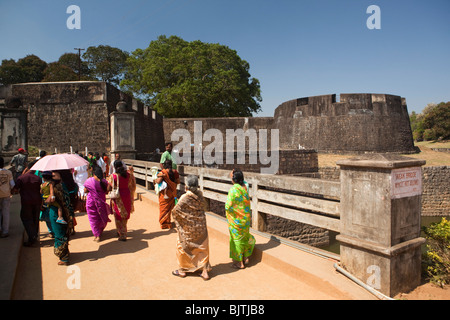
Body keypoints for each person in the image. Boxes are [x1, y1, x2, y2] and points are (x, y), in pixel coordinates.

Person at [171, 175, 211, 280]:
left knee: (182, 246)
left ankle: (182, 270)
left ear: (187, 186)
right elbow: (203, 209)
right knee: (202, 248)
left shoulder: (185, 197)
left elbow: (175, 211)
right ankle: (204, 271)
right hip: (200, 228)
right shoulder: (200, 195)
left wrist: (183, 220)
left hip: (188, 229)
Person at [225, 169, 255, 269]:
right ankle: (246, 257)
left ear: (234, 179)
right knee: (245, 237)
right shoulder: (245, 188)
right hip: (245, 218)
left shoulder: (233, 190)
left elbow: (228, 206)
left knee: (236, 239)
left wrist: (234, 212)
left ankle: (239, 262)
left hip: (236, 220)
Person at [13, 161, 42, 247]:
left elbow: (15, 190)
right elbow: (41, 191)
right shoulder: (38, 178)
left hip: (26, 201)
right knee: (35, 219)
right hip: (37, 201)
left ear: (27, 168)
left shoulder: (21, 178)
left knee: (26, 218)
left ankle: (31, 236)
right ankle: (34, 235)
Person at [84, 166, 111, 242]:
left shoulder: (89, 181)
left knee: (93, 218)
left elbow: (85, 191)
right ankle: (100, 230)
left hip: (91, 202)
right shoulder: (104, 181)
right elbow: (108, 190)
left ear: (94, 173)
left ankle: (97, 235)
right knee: (101, 216)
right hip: (101, 201)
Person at [49, 171, 71, 265]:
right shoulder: (63, 186)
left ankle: (64, 257)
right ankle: (65, 253)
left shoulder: (55, 188)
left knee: (59, 233)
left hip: (56, 213)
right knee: (62, 232)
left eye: (54, 175)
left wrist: (50, 188)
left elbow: (50, 199)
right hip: (64, 212)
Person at [109, 160, 134, 241]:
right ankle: (123, 231)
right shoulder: (128, 175)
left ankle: (121, 233)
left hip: (118, 197)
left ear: (115, 167)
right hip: (127, 195)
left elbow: (110, 187)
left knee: (118, 214)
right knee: (125, 214)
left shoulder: (113, 176)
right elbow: (131, 184)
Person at [155, 159, 179, 229]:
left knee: (164, 208)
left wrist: (155, 180)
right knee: (169, 208)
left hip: (164, 194)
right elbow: (178, 181)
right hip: (172, 193)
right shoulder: (175, 172)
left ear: (165, 165)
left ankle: (164, 224)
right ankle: (168, 222)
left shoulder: (163, 172)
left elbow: (159, 181)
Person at [0, 157, 15, 238]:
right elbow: (12, 184)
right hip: (6, 194)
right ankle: (5, 231)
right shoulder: (8, 172)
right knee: (5, 213)